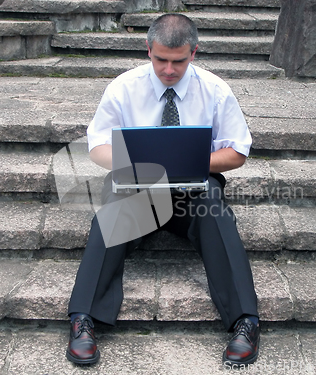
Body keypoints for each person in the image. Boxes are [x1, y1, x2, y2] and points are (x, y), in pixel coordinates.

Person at [66, 13, 260, 367]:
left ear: (195, 52)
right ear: (148, 49)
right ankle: (83, 319)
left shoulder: (215, 90)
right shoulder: (124, 87)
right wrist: (139, 165)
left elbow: (237, 152)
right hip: (138, 190)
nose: (169, 70)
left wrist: (189, 162)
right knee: (112, 213)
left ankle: (245, 321)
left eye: (179, 61)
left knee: (214, 208)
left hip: (192, 194)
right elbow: (97, 146)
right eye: (160, 60)